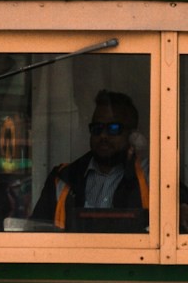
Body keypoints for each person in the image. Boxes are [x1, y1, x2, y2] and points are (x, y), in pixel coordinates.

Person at [31, 90, 149, 232]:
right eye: (97, 128)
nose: (103, 136)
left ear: (132, 135)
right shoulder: (63, 178)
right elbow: (36, 234)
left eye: (113, 128)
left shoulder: (152, 176)